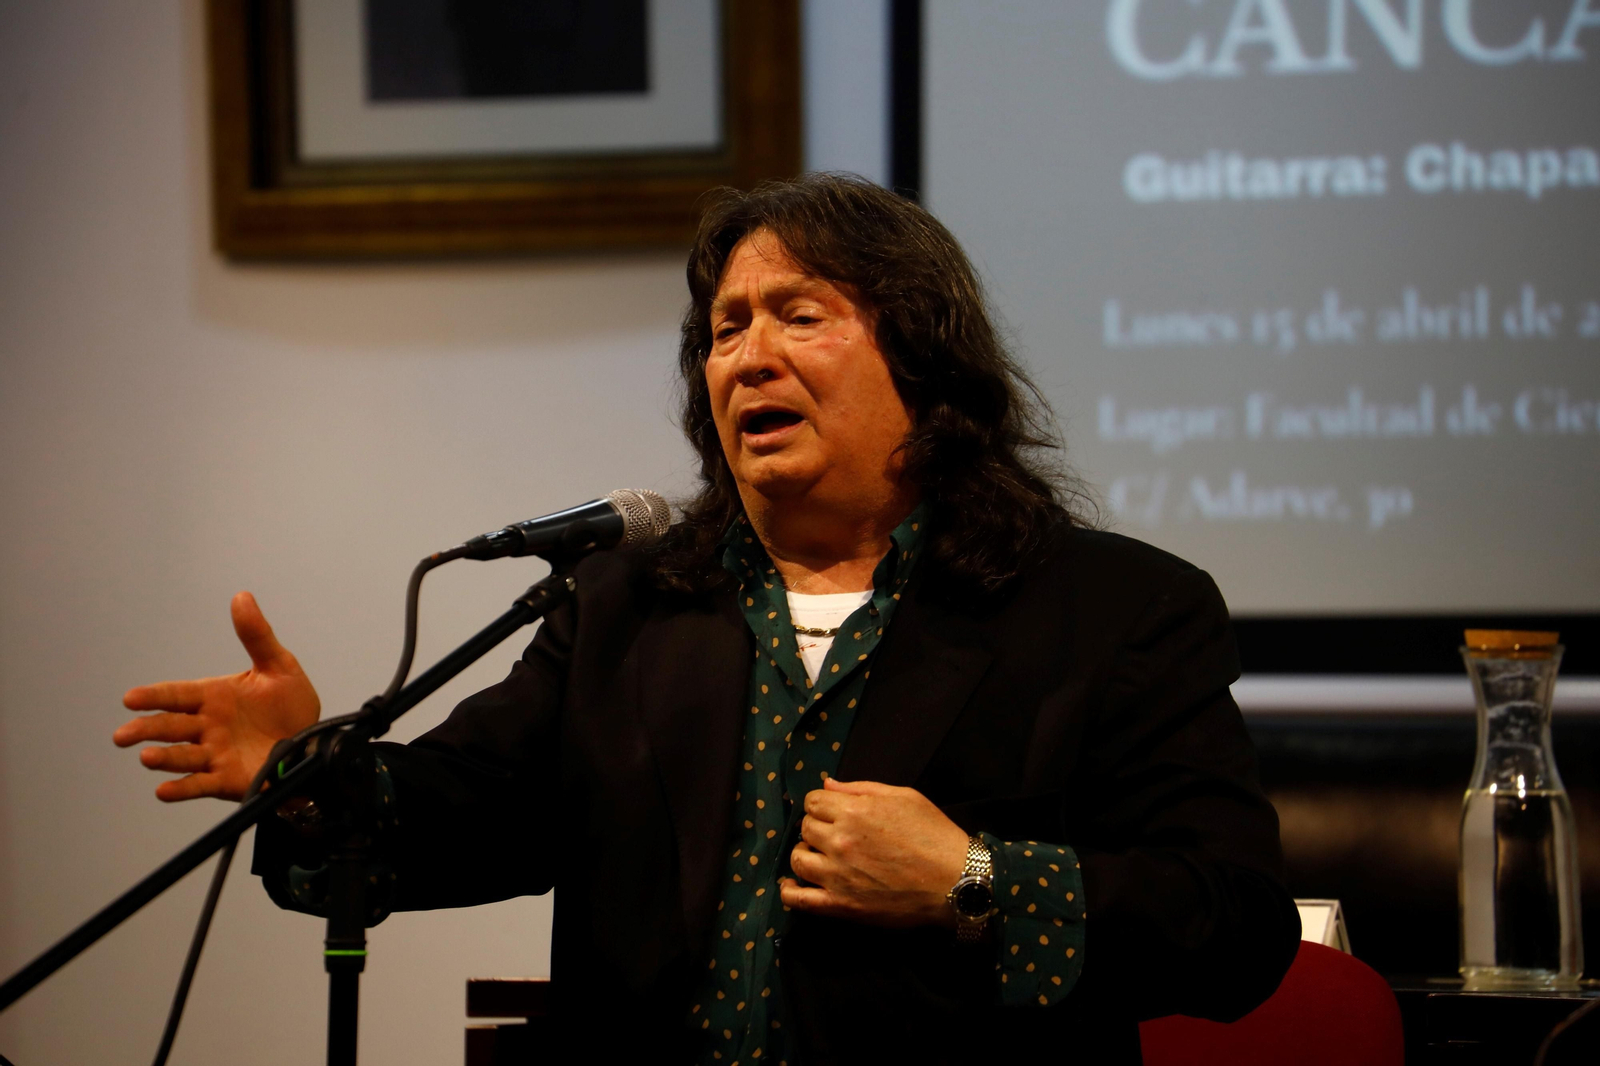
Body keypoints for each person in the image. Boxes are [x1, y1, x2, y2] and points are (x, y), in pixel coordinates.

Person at [114, 174, 1299, 1063]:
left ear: (926, 366)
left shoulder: (1112, 610)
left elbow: (1235, 930)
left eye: (799, 314)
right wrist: (307, 774)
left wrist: (972, 878)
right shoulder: (626, 604)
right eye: (725, 329)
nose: (747, 358)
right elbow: (461, 818)